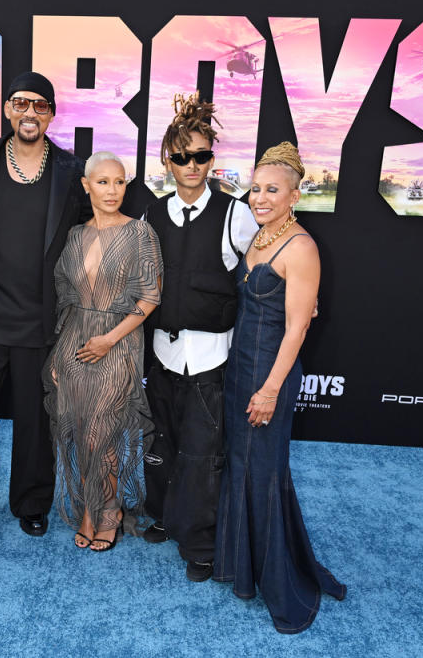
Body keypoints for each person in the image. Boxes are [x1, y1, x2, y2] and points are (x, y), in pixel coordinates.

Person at [0, 72, 91, 550]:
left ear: (52, 114)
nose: (30, 113)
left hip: (41, 316)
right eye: (21, 103)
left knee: (35, 419)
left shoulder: (70, 170)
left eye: (40, 106)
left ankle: (31, 504)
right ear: (7, 108)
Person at [213, 141, 345, 633]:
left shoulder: (302, 247)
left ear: (295, 194)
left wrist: (269, 390)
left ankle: (276, 579)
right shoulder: (259, 240)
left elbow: (297, 328)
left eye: (273, 190)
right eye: (256, 188)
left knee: (264, 469)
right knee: (242, 465)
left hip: (270, 374)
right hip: (238, 367)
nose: (260, 197)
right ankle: (241, 566)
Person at [142, 93, 258, 582]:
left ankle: (202, 543)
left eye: (202, 156)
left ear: (212, 159)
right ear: (168, 161)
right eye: (182, 156)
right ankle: (165, 517)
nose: (192, 165)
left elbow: (264, 278)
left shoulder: (237, 214)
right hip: (162, 355)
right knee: (162, 443)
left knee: (203, 454)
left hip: (211, 357)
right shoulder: (151, 215)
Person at [43, 152, 162, 551]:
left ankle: (106, 513)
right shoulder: (75, 236)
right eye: (103, 182)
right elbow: (65, 300)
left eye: (119, 182)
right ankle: (90, 509)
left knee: (102, 434)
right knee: (79, 433)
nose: (112, 191)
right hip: (76, 344)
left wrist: (109, 340)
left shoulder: (140, 234)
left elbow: (149, 298)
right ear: (86, 185)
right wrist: (61, 354)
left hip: (118, 342)